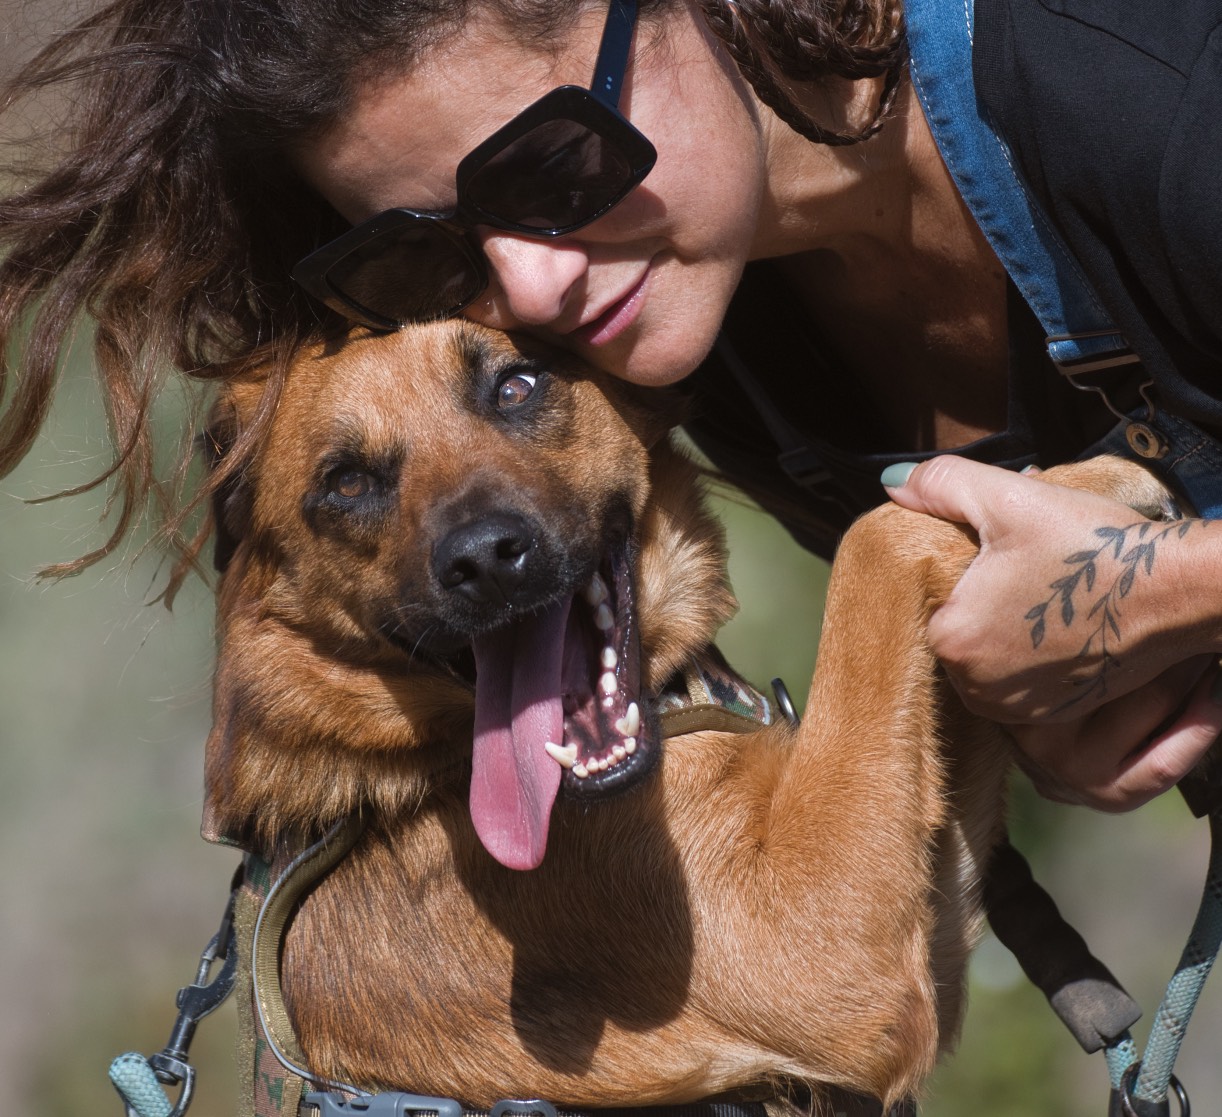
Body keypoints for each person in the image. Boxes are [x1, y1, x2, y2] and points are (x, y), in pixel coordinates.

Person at [2, 0, 1221, 812]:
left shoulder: (1148, 84)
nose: (530, 286)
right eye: (426, 247)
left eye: (548, 165)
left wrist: (1162, 591)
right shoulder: (697, 333)